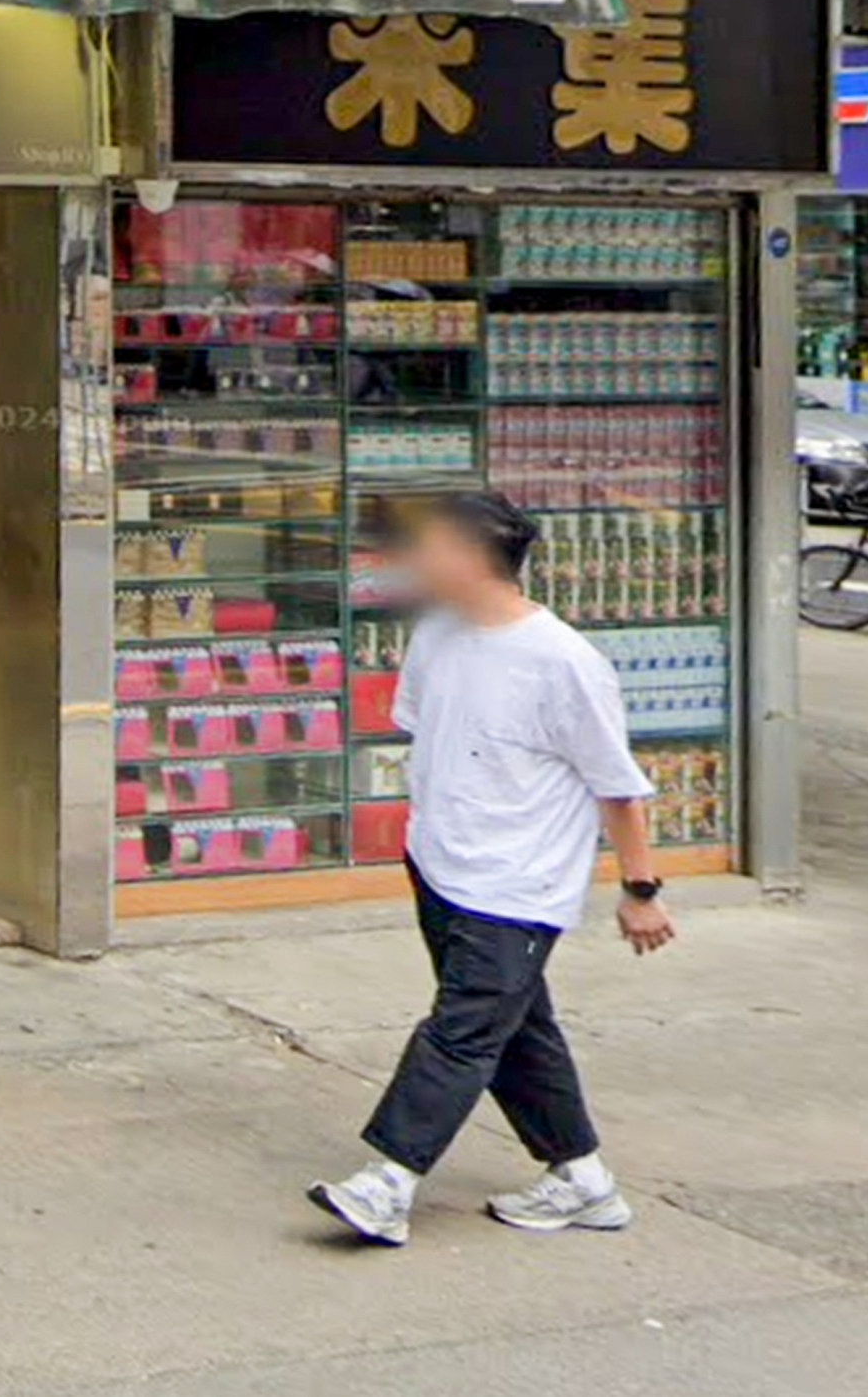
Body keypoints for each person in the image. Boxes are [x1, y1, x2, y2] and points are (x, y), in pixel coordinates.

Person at [309, 488, 675, 1249]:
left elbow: (617, 785)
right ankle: (581, 1179)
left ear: (473, 557)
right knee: (514, 1030)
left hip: (518, 885)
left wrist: (639, 891)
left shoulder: (564, 663)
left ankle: (387, 1181)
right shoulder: (438, 632)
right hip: (441, 866)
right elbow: (425, 730)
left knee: (461, 1032)